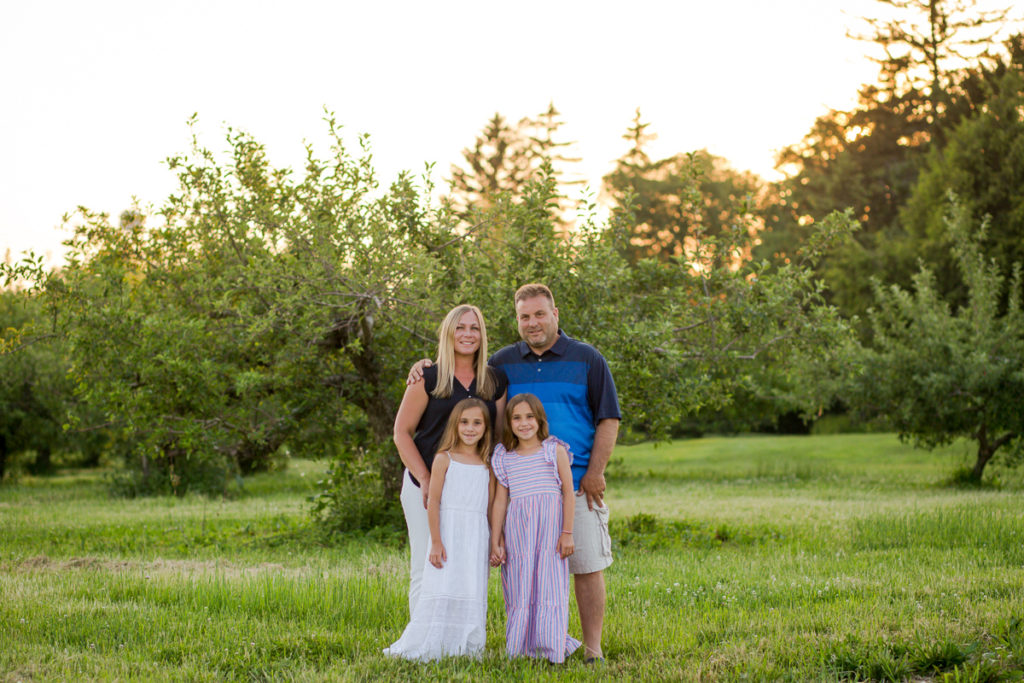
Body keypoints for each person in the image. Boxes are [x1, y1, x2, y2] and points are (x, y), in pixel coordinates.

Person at [409, 283, 620, 663]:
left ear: (555, 314)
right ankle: (527, 641)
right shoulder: (503, 363)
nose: (533, 322)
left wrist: (595, 471)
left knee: (585, 565)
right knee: (524, 570)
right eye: (525, 316)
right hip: (519, 487)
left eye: (540, 314)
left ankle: (592, 650)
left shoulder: (588, 359)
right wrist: (425, 364)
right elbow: (462, 367)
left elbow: (608, 417)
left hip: (575, 481)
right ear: (516, 320)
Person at [393, 304, 507, 617]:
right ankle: (422, 639)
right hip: (425, 483)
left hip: (473, 488)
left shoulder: (495, 380)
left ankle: (460, 637)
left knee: (469, 563)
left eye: (474, 328)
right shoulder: (427, 376)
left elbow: (496, 439)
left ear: (482, 335)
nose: (467, 334)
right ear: (448, 332)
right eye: (460, 327)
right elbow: (401, 433)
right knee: (426, 562)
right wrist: (426, 478)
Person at [384, 398, 495, 661]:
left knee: (470, 585)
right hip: (448, 532)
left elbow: (489, 506)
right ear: (454, 426)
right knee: (443, 581)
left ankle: (466, 645)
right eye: (464, 422)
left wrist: (495, 540)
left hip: (475, 536)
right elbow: (433, 502)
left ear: (486, 427)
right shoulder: (444, 459)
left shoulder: (487, 463)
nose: (470, 428)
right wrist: (435, 541)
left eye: (477, 422)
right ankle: (433, 640)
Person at [490, 393, 580, 663]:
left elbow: (568, 493)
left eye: (529, 416)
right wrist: (496, 540)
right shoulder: (505, 457)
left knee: (549, 587)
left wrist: (567, 533)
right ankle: (519, 647)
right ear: (509, 422)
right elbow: (499, 502)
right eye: (517, 417)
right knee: (520, 587)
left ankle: (551, 648)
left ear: (540, 419)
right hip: (519, 533)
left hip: (550, 532)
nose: (524, 423)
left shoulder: (554, 450)